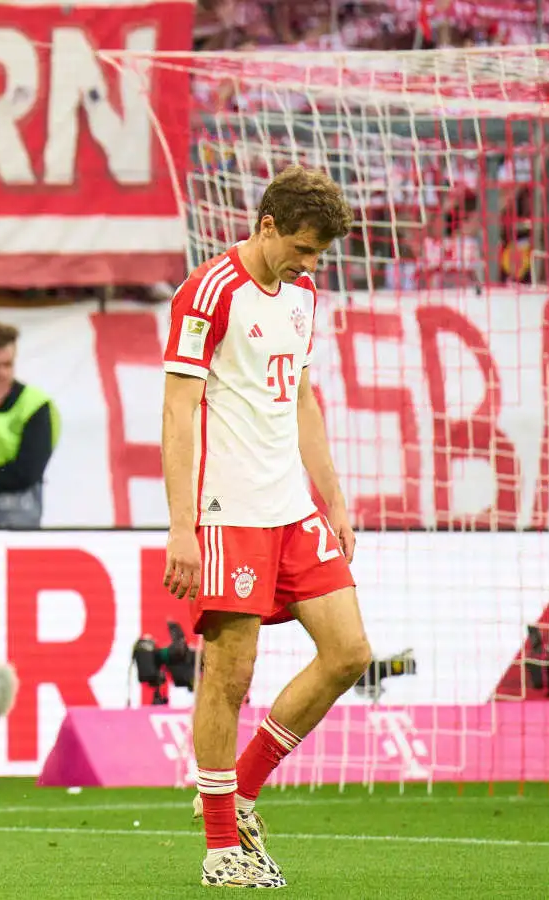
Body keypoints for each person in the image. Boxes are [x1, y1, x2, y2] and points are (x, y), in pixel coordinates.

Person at [160, 164, 372, 888]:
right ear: (268, 225)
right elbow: (178, 412)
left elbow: (303, 400)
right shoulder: (208, 292)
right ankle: (222, 848)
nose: (310, 265)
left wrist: (333, 500)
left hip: (292, 507)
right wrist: (182, 528)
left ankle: (240, 787)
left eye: (319, 254)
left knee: (348, 652)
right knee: (229, 673)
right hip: (230, 513)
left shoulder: (302, 293)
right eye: (303, 249)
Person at [0, 322, 59, 529]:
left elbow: (25, 473)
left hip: (17, 523)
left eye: (8, 365)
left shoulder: (35, 405)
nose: (1, 373)